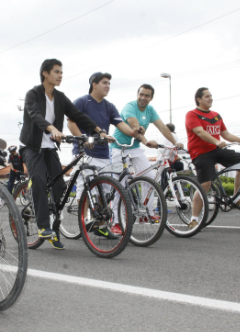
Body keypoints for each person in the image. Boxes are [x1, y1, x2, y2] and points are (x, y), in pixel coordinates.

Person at [19, 59, 111, 250]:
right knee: (38, 178)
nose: (60, 75)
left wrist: (98, 130)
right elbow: (35, 114)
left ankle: (55, 229)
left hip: (50, 147)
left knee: (60, 188)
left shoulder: (60, 97)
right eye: (57, 72)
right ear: (45, 73)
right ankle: (43, 226)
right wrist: (52, 128)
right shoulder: (33, 94)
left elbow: (77, 115)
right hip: (32, 146)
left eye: (62, 72)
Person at [67, 72, 141, 239]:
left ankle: (100, 225)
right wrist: (84, 138)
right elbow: (71, 123)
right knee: (85, 188)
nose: (107, 86)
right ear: (94, 84)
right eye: (104, 83)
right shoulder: (82, 102)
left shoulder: (109, 106)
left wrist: (133, 132)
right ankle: (84, 220)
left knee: (104, 191)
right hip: (83, 152)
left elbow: (121, 125)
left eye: (109, 83)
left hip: (102, 153)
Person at [110, 84, 183, 234]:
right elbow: (134, 125)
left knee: (150, 178)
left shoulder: (150, 110)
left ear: (151, 98)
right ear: (137, 94)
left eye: (147, 96)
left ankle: (146, 212)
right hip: (119, 147)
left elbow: (163, 128)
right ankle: (115, 222)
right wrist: (145, 139)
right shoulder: (129, 107)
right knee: (120, 183)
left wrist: (175, 143)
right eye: (141, 94)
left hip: (135, 148)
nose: (143, 98)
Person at [186, 87, 240, 230]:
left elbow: (226, 135)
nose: (210, 98)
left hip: (216, 150)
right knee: (205, 184)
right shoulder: (192, 114)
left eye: (211, 96)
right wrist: (216, 141)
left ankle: (236, 198)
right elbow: (199, 131)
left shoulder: (216, 115)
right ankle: (193, 219)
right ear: (199, 99)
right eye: (207, 96)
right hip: (200, 153)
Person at [157, 123, 185, 187]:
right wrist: (177, 155)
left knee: (164, 179)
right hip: (167, 160)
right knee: (180, 165)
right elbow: (173, 147)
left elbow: (172, 147)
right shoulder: (173, 135)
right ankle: (178, 185)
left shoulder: (164, 136)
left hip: (162, 160)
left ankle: (164, 192)